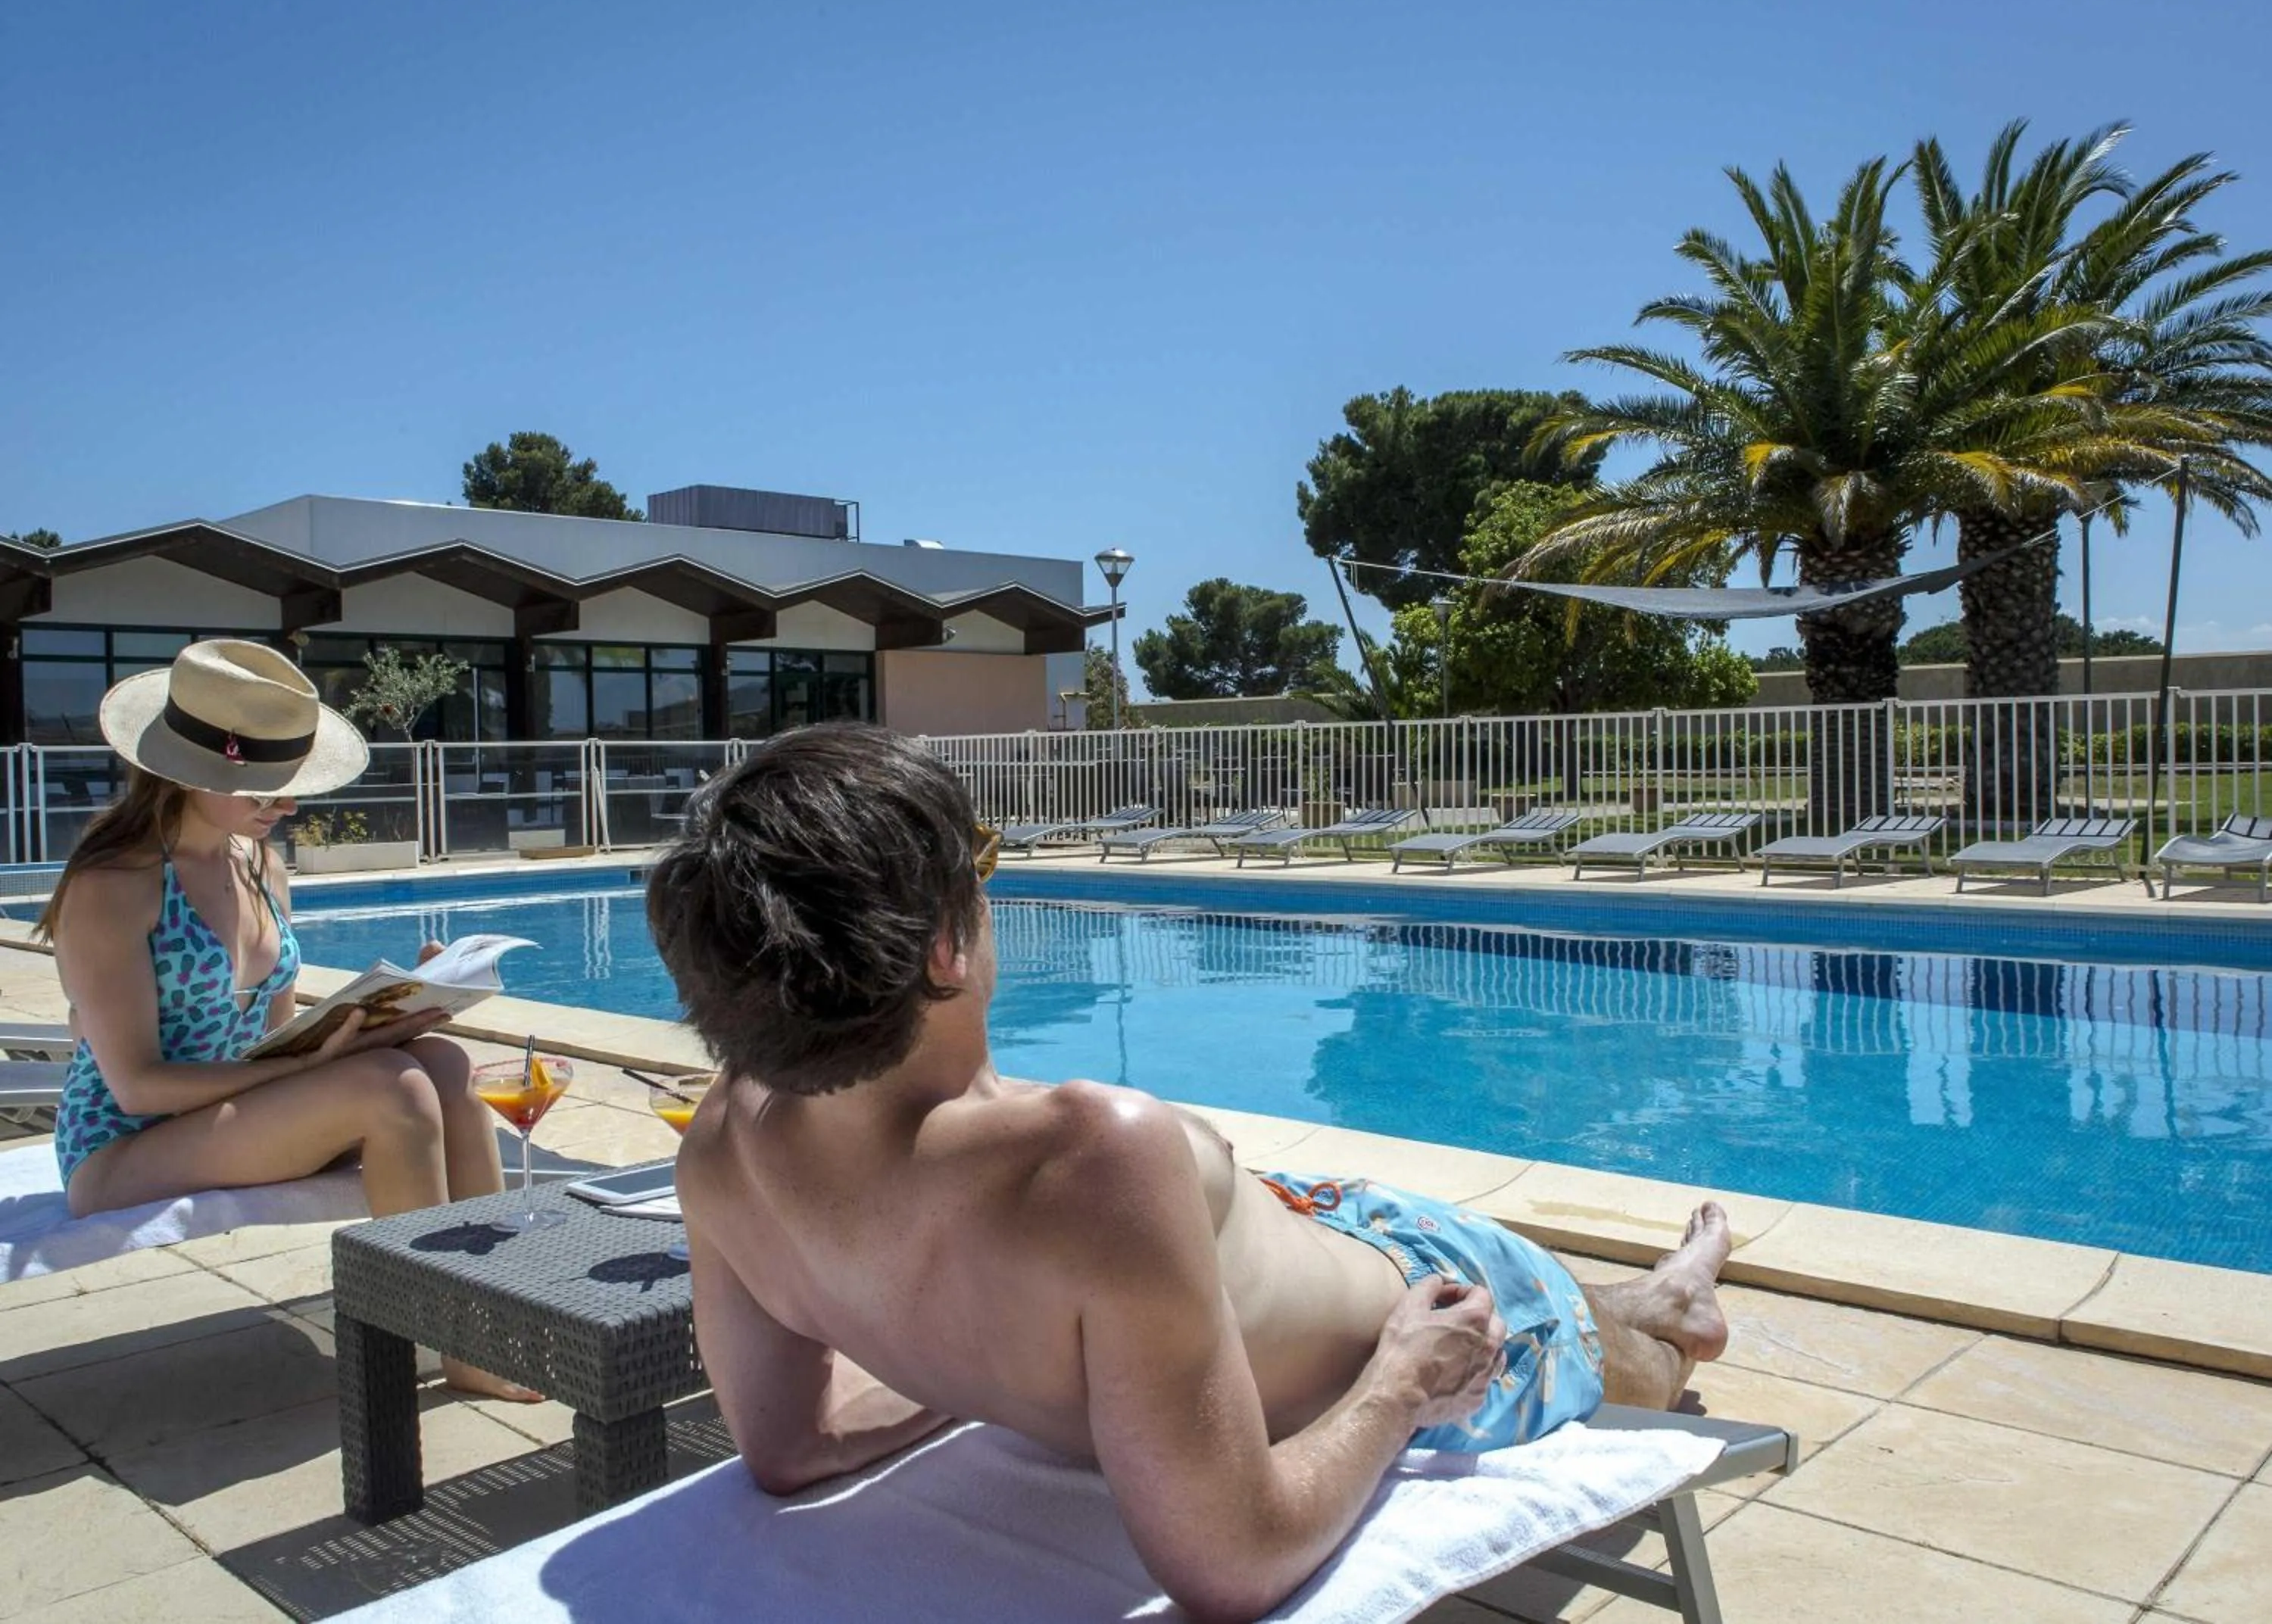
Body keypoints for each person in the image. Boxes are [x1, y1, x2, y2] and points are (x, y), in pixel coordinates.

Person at [651, 723, 1733, 1623]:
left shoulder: (721, 1155)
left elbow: (792, 1445)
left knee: (1500, 1264)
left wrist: (975, 1375)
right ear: (944, 946)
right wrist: (1404, 1379)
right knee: (1634, 1353)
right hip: (1419, 1290)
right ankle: (1671, 1312)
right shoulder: (1087, 1156)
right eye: (979, 865)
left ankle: (1658, 1286)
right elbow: (1232, 1564)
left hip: (1313, 1228)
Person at [36, 638, 532, 1400]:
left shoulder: (260, 866)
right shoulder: (117, 887)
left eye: (288, 787)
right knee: (394, 1091)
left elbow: (273, 1038)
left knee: (444, 1067)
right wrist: (305, 1069)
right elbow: (136, 1086)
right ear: (193, 774)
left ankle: (501, 1322)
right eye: (266, 792)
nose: (288, 808)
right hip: (123, 1149)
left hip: (230, 1115)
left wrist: (383, 1016)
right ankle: (447, 1340)